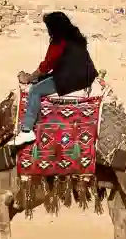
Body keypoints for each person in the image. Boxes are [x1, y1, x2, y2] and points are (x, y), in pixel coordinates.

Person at [11, 11, 98, 146]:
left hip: (71, 78)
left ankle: (27, 130)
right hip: (86, 75)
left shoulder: (59, 42)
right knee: (42, 79)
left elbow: (46, 66)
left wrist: (28, 78)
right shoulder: (75, 37)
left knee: (35, 90)